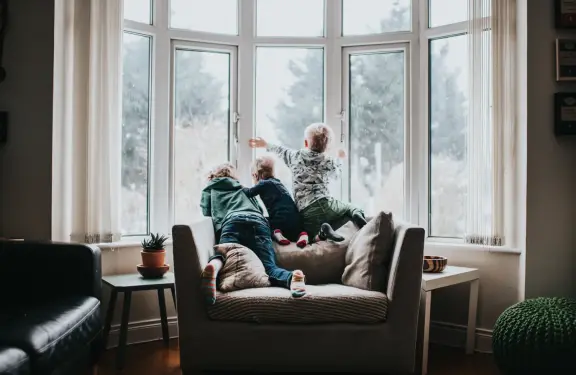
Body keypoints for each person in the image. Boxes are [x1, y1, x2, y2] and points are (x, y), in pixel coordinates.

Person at [199, 162, 306, 305]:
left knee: (223, 257)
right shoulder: (242, 189)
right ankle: (292, 278)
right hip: (257, 222)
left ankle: (214, 266)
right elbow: (259, 209)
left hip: (232, 222)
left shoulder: (210, 189)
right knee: (269, 267)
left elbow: (206, 212)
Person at [249, 123, 367, 242]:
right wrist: (340, 159)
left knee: (309, 238)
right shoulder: (328, 161)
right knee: (351, 208)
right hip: (326, 203)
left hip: (306, 211)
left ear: (306, 143)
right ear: (327, 147)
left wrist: (266, 144)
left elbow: (281, 150)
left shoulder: (295, 157)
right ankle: (357, 215)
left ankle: (323, 231)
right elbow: (337, 175)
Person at [243, 155, 309, 248]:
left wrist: (239, 186)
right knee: (297, 231)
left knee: (265, 222)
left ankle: (277, 233)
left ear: (255, 175)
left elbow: (249, 193)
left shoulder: (263, 183)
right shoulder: (278, 182)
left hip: (279, 218)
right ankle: (303, 235)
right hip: (295, 218)